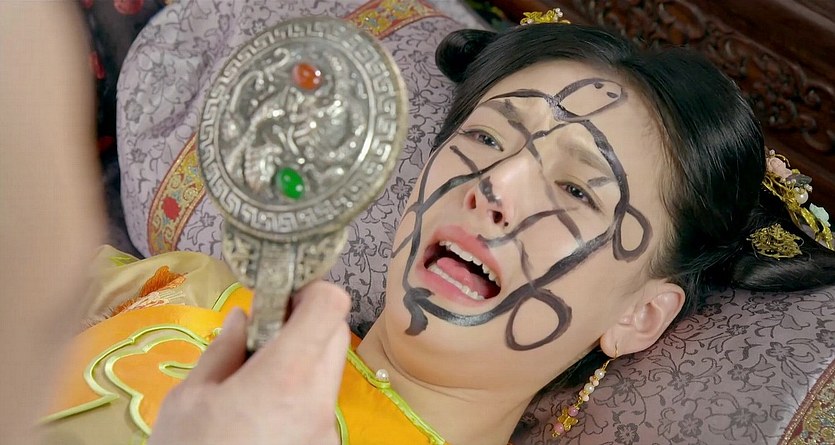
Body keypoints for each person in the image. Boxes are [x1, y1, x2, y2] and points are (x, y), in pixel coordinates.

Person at [39, 9, 835, 445]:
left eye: (574, 189)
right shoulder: (193, 293)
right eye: (485, 140)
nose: (495, 185)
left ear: (641, 314)